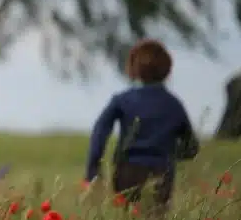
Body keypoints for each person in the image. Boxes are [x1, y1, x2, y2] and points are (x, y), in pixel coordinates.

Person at [83, 39, 199, 211]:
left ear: (133, 67)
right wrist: (168, 154)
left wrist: (93, 171)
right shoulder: (174, 104)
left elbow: (100, 133)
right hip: (162, 173)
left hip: (127, 172)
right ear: (166, 69)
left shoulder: (122, 100)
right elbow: (191, 148)